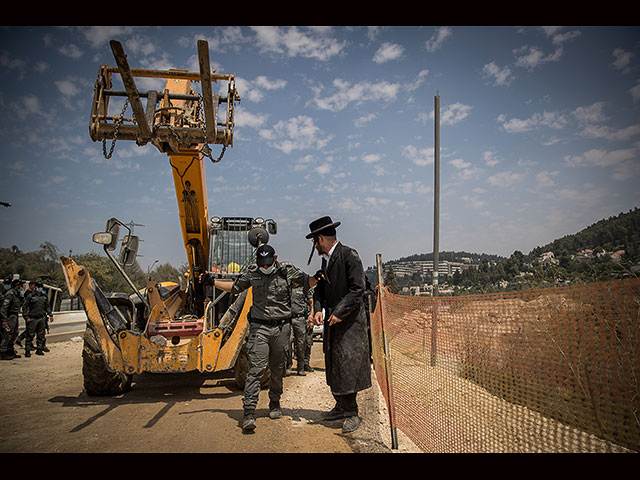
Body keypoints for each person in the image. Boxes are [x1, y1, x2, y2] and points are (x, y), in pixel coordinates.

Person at [207, 244, 320, 432]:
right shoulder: (253, 273)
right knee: (256, 369)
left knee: (278, 368)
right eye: (262, 264)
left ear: (275, 259)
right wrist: (212, 282)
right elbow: (235, 288)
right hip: (259, 327)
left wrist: (318, 277)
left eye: (268, 264)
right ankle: (249, 412)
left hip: (282, 328)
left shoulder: (286, 271)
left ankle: (275, 402)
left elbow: (307, 282)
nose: (265, 268)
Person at [306, 216, 372, 433]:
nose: (314, 247)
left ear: (320, 239)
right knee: (335, 364)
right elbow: (319, 291)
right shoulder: (325, 261)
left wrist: (339, 313)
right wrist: (317, 309)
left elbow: (357, 289)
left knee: (348, 366)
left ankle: (352, 412)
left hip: (350, 321)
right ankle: (340, 406)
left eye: (314, 242)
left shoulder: (349, 255)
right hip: (333, 321)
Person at [21, 281, 53, 357]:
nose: (39, 289)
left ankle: (39, 349)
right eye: (38, 287)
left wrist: (50, 315)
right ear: (35, 287)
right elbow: (24, 308)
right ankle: (27, 350)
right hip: (32, 318)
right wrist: (26, 317)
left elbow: (47, 307)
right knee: (30, 335)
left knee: (41, 335)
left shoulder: (44, 296)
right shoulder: (30, 296)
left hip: (41, 318)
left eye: (41, 287)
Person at [288, 285, 314, 376]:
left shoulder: (304, 288)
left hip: (300, 319)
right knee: (288, 342)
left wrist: (311, 317)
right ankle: (288, 367)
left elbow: (311, 303)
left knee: (301, 344)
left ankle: (301, 368)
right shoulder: (287, 287)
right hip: (288, 319)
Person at [1, 279, 25, 360]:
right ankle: (3, 352)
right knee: (8, 334)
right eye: (20, 285)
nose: (21, 287)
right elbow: (4, 308)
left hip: (15, 315)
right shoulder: (10, 294)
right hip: (10, 316)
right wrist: (4, 320)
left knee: (15, 333)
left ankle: (10, 350)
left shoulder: (17, 294)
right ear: (17, 285)